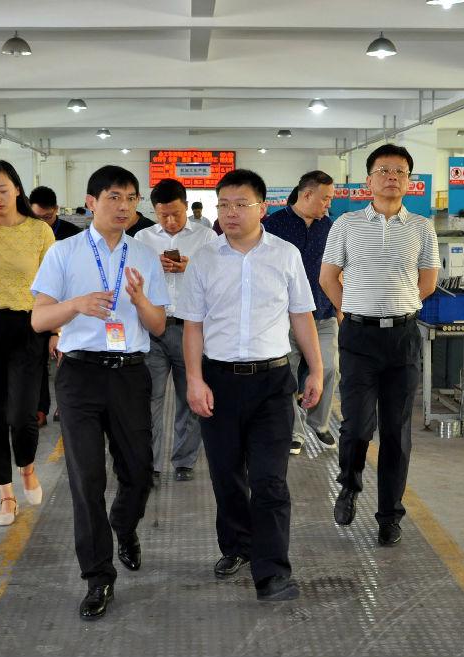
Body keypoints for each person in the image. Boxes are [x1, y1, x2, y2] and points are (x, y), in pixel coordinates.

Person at [176, 169, 323, 602]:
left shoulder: (285, 255)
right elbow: (192, 326)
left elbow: (301, 316)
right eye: (223, 205)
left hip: (272, 383)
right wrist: (194, 380)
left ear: (263, 208)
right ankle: (237, 546)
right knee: (226, 476)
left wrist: (316, 370)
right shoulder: (204, 258)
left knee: (269, 480)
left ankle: (273, 572)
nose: (231, 212)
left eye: (241, 204)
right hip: (219, 382)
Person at [31, 165, 169, 621]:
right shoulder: (64, 252)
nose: (124, 206)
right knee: (86, 479)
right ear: (91, 202)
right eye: (114, 197)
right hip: (80, 375)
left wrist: (141, 301)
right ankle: (98, 577)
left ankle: (124, 525)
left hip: (130, 374)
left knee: (139, 471)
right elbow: (39, 319)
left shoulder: (145, 254)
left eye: (131, 198)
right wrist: (76, 305)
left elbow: (158, 326)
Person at [319, 144, 440, 547]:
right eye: (384, 170)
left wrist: (398, 305)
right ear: (368, 180)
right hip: (359, 337)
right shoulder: (346, 224)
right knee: (356, 426)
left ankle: (389, 515)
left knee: (396, 432)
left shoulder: (422, 227)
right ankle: (350, 485)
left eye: (400, 171)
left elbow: (428, 281)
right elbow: (328, 277)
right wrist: (352, 309)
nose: (392, 177)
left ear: (410, 181)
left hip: (403, 339)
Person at [0, 161, 55, 526]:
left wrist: (55, 331)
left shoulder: (39, 231)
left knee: (21, 414)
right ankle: (5, 495)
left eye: (2, 189)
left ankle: (27, 468)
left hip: (28, 326)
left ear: (17, 189)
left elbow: (52, 284)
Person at [134, 178, 216, 485]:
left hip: (190, 330)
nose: (170, 221)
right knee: (149, 400)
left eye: (176, 214)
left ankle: (184, 460)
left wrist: (190, 268)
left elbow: (219, 278)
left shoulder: (206, 237)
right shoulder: (142, 238)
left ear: (187, 207)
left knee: (190, 398)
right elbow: (130, 280)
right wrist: (151, 268)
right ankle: (150, 464)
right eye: (163, 215)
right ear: (154, 211)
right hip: (152, 330)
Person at [263, 171, 339, 454]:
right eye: (325, 199)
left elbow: (340, 269)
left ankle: (319, 423)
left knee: (329, 368)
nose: (328, 205)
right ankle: (295, 432)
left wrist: (340, 307)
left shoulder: (330, 228)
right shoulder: (273, 226)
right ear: (307, 195)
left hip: (323, 313)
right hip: (284, 317)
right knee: (289, 374)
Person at [27, 185, 80, 427]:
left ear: (56, 210)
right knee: (36, 362)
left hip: (65, 306)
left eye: (47, 217)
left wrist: (57, 329)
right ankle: (40, 408)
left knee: (64, 358)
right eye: (37, 217)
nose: (43, 222)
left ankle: (64, 404)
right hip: (34, 303)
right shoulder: (26, 232)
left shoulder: (72, 235)